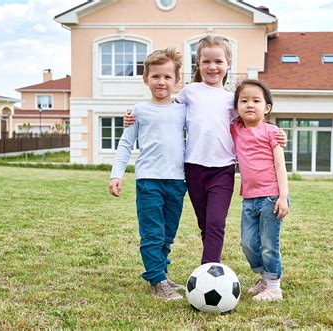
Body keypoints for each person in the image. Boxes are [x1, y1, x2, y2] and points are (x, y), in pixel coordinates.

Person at [124, 35, 286, 265]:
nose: (212, 67)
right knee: (205, 224)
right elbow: (165, 108)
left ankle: (209, 270)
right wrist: (134, 114)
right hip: (193, 169)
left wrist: (277, 133)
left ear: (228, 64)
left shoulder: (233, 100)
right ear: (198, 64)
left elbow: (253, 123)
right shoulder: (190, 92)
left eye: (219, 61)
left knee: (216, 223)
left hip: (222, 170)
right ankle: (209, 268)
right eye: (206, 61)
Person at [108, 47, 187, 301]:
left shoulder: (183, 109)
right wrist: (116, 174)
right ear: (146, 79)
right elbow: (125, 144)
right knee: (152, 233)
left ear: (177, 80)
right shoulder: (138, 111)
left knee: (167, 234)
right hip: (149, 181)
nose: (161, 82)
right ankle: (157, 281)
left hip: (177, 181)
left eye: (167, 77)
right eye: (155, 76)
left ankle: (161, 272)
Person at [230, 79, 289, 302]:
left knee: (268, 244)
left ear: (267, 108)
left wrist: (283, 196)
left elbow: (280, 165)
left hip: (271, 197)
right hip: (248, 198)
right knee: (247, 243)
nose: (250, 105)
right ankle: (264, 277)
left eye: (256, 100)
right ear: (237, 107)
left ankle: (274, 287)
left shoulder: (272, 132)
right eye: (244, 101)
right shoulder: (235, 129)